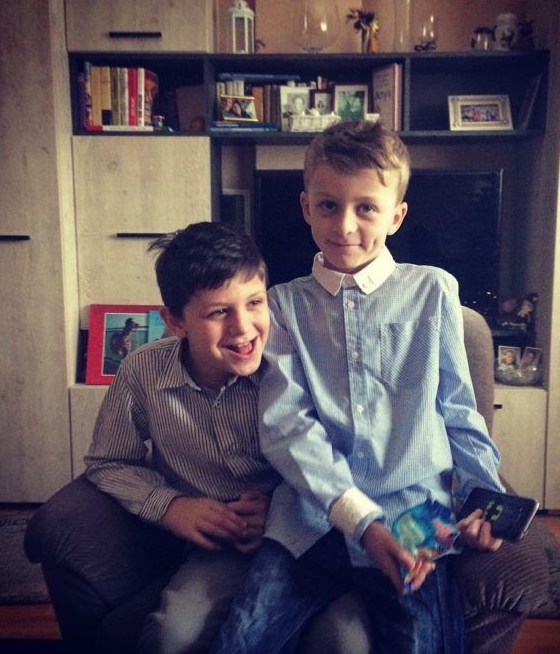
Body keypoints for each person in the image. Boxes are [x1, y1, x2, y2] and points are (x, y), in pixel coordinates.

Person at [211, 121, 505, 654]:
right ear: (306, 207)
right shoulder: (281, 306)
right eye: (328, 206)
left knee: (423, 643)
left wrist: (485, 498)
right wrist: (361, 522)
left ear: (396, 215)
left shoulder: (434, 291)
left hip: (417, 513)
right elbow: (287, 427)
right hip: (310, 520)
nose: (344, 225)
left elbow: (459, 412)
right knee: (241, 640)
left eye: (366, 207)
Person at [84, 222, 281, 654]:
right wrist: (171, 506)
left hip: (299, 535)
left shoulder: (291, 364)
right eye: (218, 312)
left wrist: (281, 508)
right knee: (169, 637)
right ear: (175, 321)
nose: (243, 328)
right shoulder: (141, 371)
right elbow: (107, 462)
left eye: (254, 303)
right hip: (218, 550)